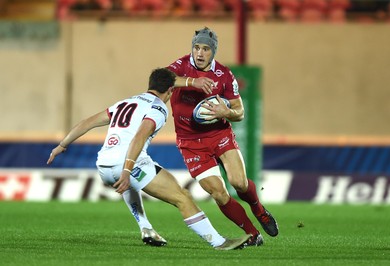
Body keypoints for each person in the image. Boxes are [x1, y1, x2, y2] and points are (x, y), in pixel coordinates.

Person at [47, 68, 250, 250]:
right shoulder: (158, 108)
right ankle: (219, 242)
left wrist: (62, 145)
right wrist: (127, 171)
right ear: (170, 91)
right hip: (125, 163)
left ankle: (146, 228)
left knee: (132, 184)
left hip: (103, 165)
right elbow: (140, 136)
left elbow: (87, 122)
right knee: (182, 197)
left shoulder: (125, 102)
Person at [165, 27, 279, 247]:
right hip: (191, 143)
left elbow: (240, 111)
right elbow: (159, 78)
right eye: (196, 47)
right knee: (218, 193)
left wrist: (226, 113)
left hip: (219, 134)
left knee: (239, 182)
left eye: (205, 49)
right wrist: (192, 82)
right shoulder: (182, 66)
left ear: (213, 51)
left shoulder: (224, 75)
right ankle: (253, 234)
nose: (199, 53)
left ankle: (259, 209)